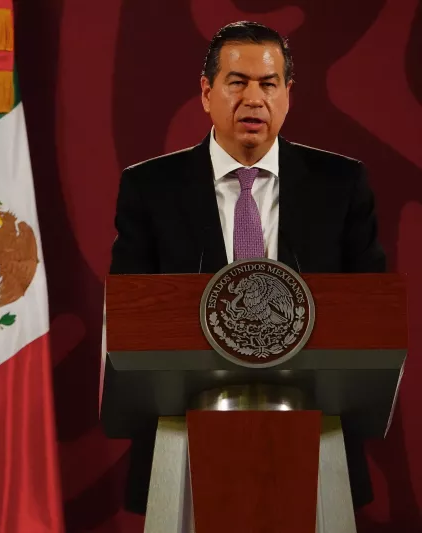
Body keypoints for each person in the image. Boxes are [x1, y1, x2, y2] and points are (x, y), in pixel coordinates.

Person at [109, 21, 384, 514]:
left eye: (268, 83)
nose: (253, 99)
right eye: (237, 83)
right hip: (183, 435)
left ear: (288, 95)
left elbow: (373, 312)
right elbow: (129, 318)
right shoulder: (151, 188)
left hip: (314, 429)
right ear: (206, 92)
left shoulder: (340, 185)